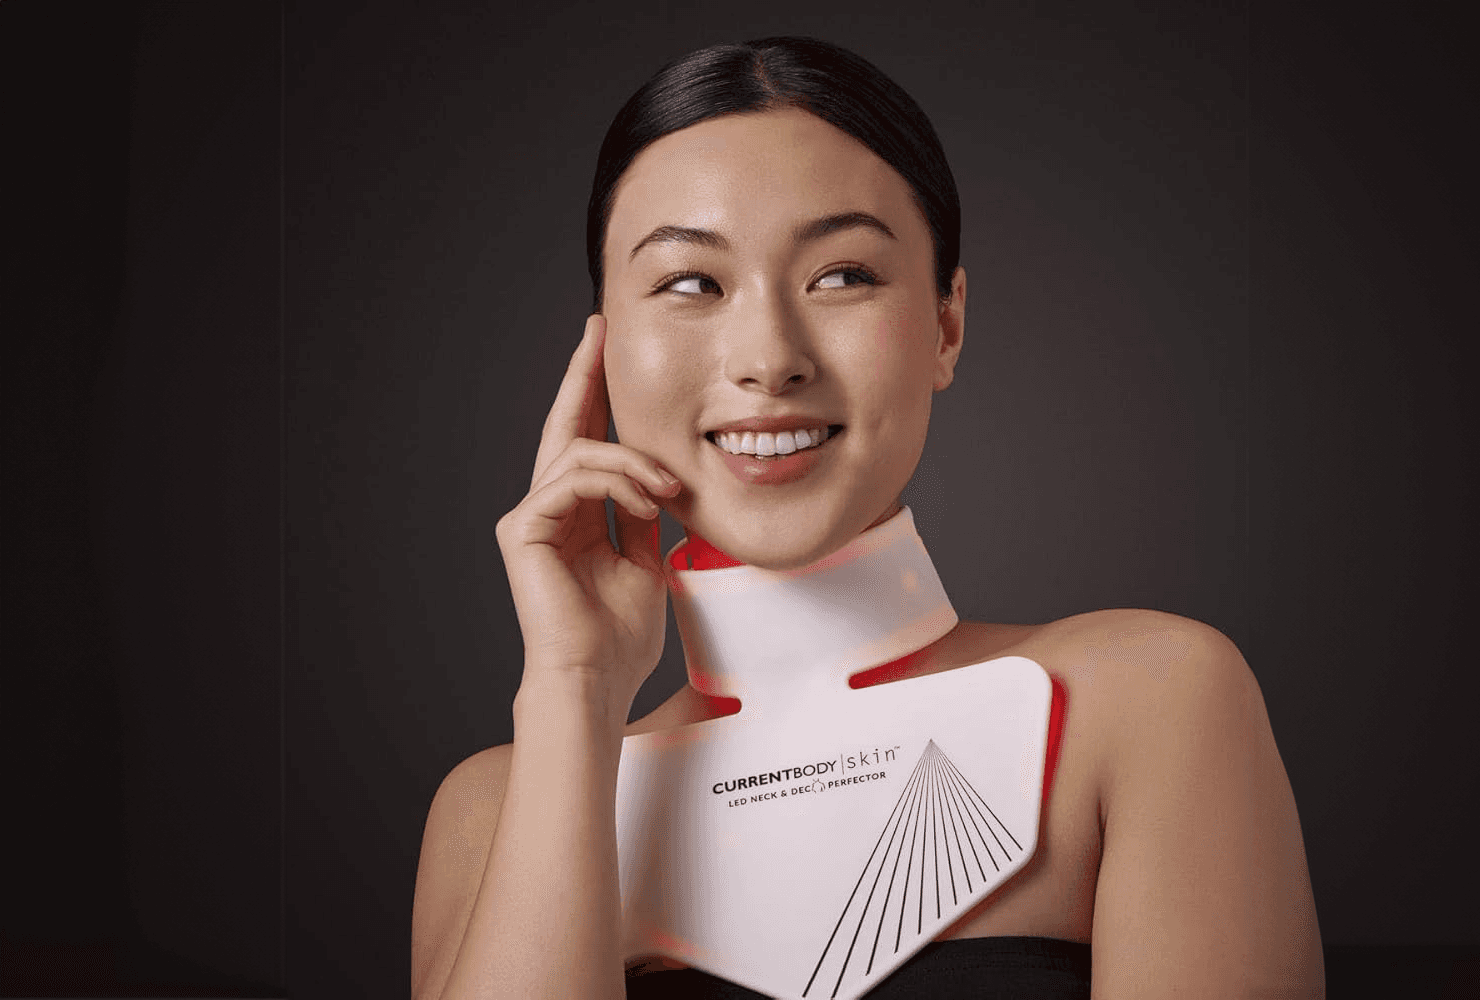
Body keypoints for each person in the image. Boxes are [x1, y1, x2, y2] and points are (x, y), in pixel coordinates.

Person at [409, 35, 1324, 1000]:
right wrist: (575, 688)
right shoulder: (495, 809)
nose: (769, 356)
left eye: (842, 275)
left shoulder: (1151, 703)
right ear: (604, 342)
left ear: (946, 324)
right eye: (691, 284)